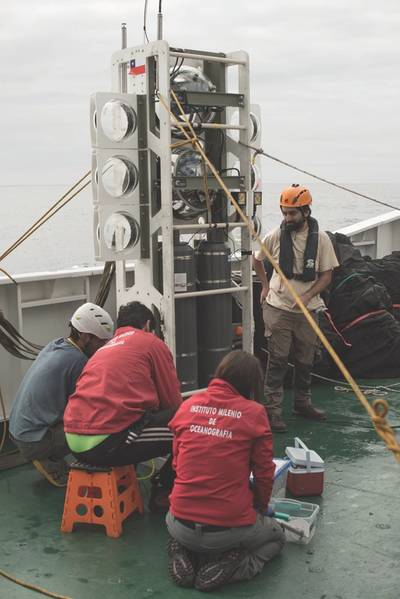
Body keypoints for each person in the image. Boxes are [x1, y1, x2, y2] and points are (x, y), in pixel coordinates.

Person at [166, 350, 285, 592]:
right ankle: (239, 565)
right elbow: (263, 474)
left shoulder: (188, 406)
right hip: (227, 531)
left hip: (178, 522)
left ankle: (183, 550)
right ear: (252, 383)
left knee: (186, 528)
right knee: (277, 537)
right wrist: (261, 507)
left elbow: (177, 465)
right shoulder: (254, 413)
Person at [63, 301, 182, 503]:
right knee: (190, 427)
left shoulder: (103, 349)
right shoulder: (151, 343)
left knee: (131, 419)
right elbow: (172, 402)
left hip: (73, 442)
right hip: (103, 444)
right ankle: (163, 487)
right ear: (147, 326)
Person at [253, 184, 339, 432]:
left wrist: (309, 295)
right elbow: (257, 260)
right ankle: (273, 411)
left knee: (305, 361)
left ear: (305, 211)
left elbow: (326, 275)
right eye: (284, 213)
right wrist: (265, 287)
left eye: (292, 213)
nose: (287, 218)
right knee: (278, 360)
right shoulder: (275, 236)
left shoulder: (321, 239)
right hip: (278, 308)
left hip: (308, 310)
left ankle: (302, 403)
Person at [9, 302, 114, 486]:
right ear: (85, 336)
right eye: (101, 341)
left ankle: (48, 455)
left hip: (18, 430)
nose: (104, 346)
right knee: (102, 427)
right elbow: (89, 407)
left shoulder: (55, 344)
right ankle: (47, 457)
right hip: (33, 440)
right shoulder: (78, 361)